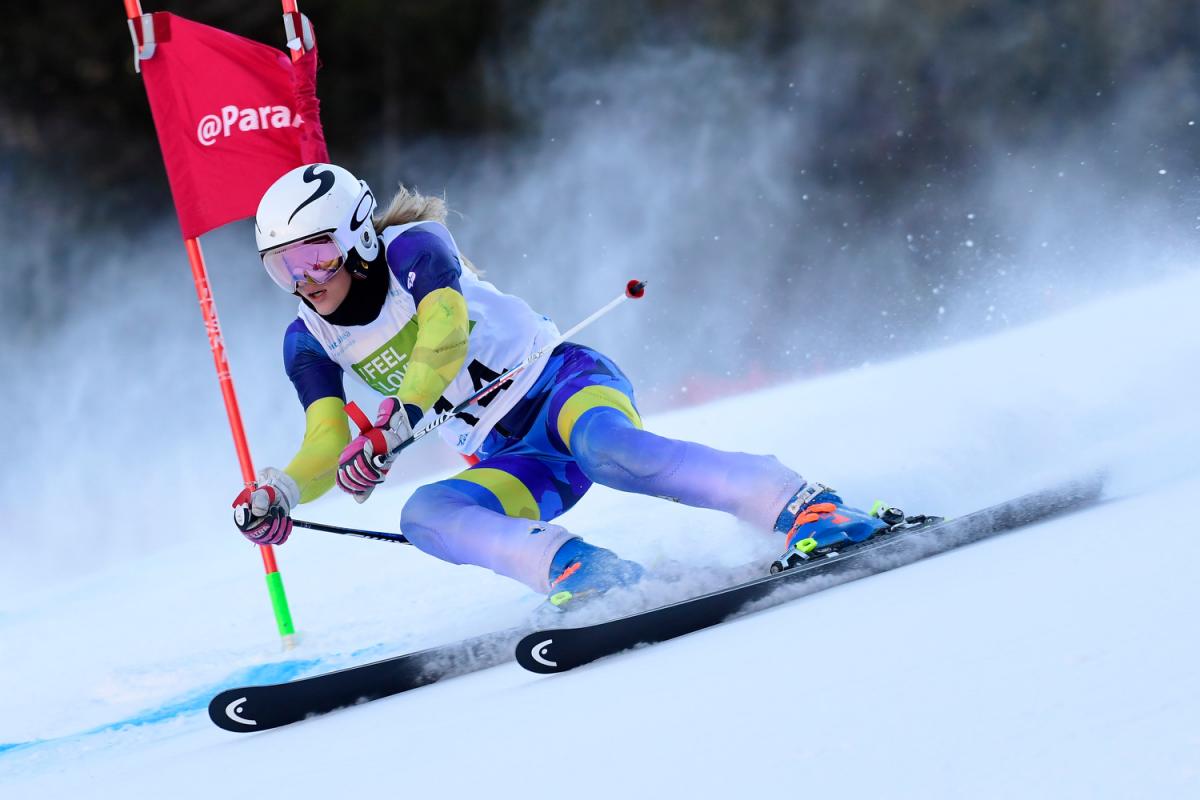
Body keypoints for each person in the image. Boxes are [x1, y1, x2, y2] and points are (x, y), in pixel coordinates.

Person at [232, 163, 887, 608]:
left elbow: (445, 338)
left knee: (611, 452)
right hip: (516, 456)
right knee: (424, 515)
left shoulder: (414, 247)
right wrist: (282, 491)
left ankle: (809, 506)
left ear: (357, 239)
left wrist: (397, 418)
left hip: (564, 387)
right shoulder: (306, 337)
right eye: (281, 268)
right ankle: (585, 573)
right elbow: (325, 436)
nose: (304, 280)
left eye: (313, 256)